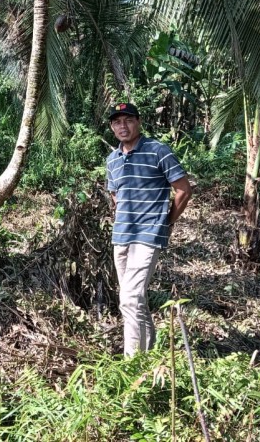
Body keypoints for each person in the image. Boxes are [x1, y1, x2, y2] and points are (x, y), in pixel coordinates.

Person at [106, 102, 192, 356]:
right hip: (121, 236)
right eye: (117, 122)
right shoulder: (112, 159)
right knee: (135, 299)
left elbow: (183, 191)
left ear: (139, 122)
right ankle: (149, 354)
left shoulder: (158, 151)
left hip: (148, 235)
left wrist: (166, 223)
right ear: (112, 127)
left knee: (129, 299)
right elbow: (116, 196)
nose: (123, 126)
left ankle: (132, 362)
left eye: (128, 120)